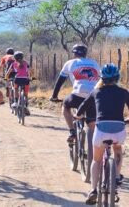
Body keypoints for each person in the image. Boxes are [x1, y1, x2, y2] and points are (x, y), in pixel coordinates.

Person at [75, 64, 128, 205]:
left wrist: (78, 115)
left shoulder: (96, 91)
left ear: (102, 79)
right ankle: (116, 177)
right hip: (119, 129)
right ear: (117, 78)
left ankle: (93, 190)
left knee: (96, 160)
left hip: (101, 130)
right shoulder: (124, 92)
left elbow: (82, 108)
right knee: (118, 150)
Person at [50, 44, 100, 142]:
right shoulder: (94, 63)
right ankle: (94, 144)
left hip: (77, 95)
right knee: (92, 122)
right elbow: (101, 79)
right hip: (94, 95)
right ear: (85, 53)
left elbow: (59, 82)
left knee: (65, 105)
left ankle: (72, 131)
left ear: (74, 54)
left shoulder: (70, 63)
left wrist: (54, 96)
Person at [5, 51, 31, 115]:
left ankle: (16, 102)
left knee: (16, 89)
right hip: (25, 79)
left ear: (15, 58)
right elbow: (31, 70)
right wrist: (31, 77)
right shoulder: (25, 63)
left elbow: (8, 72)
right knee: (26, 93)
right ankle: (26, 105)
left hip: (17, 79)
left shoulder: (14, 64)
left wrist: (6, 78)